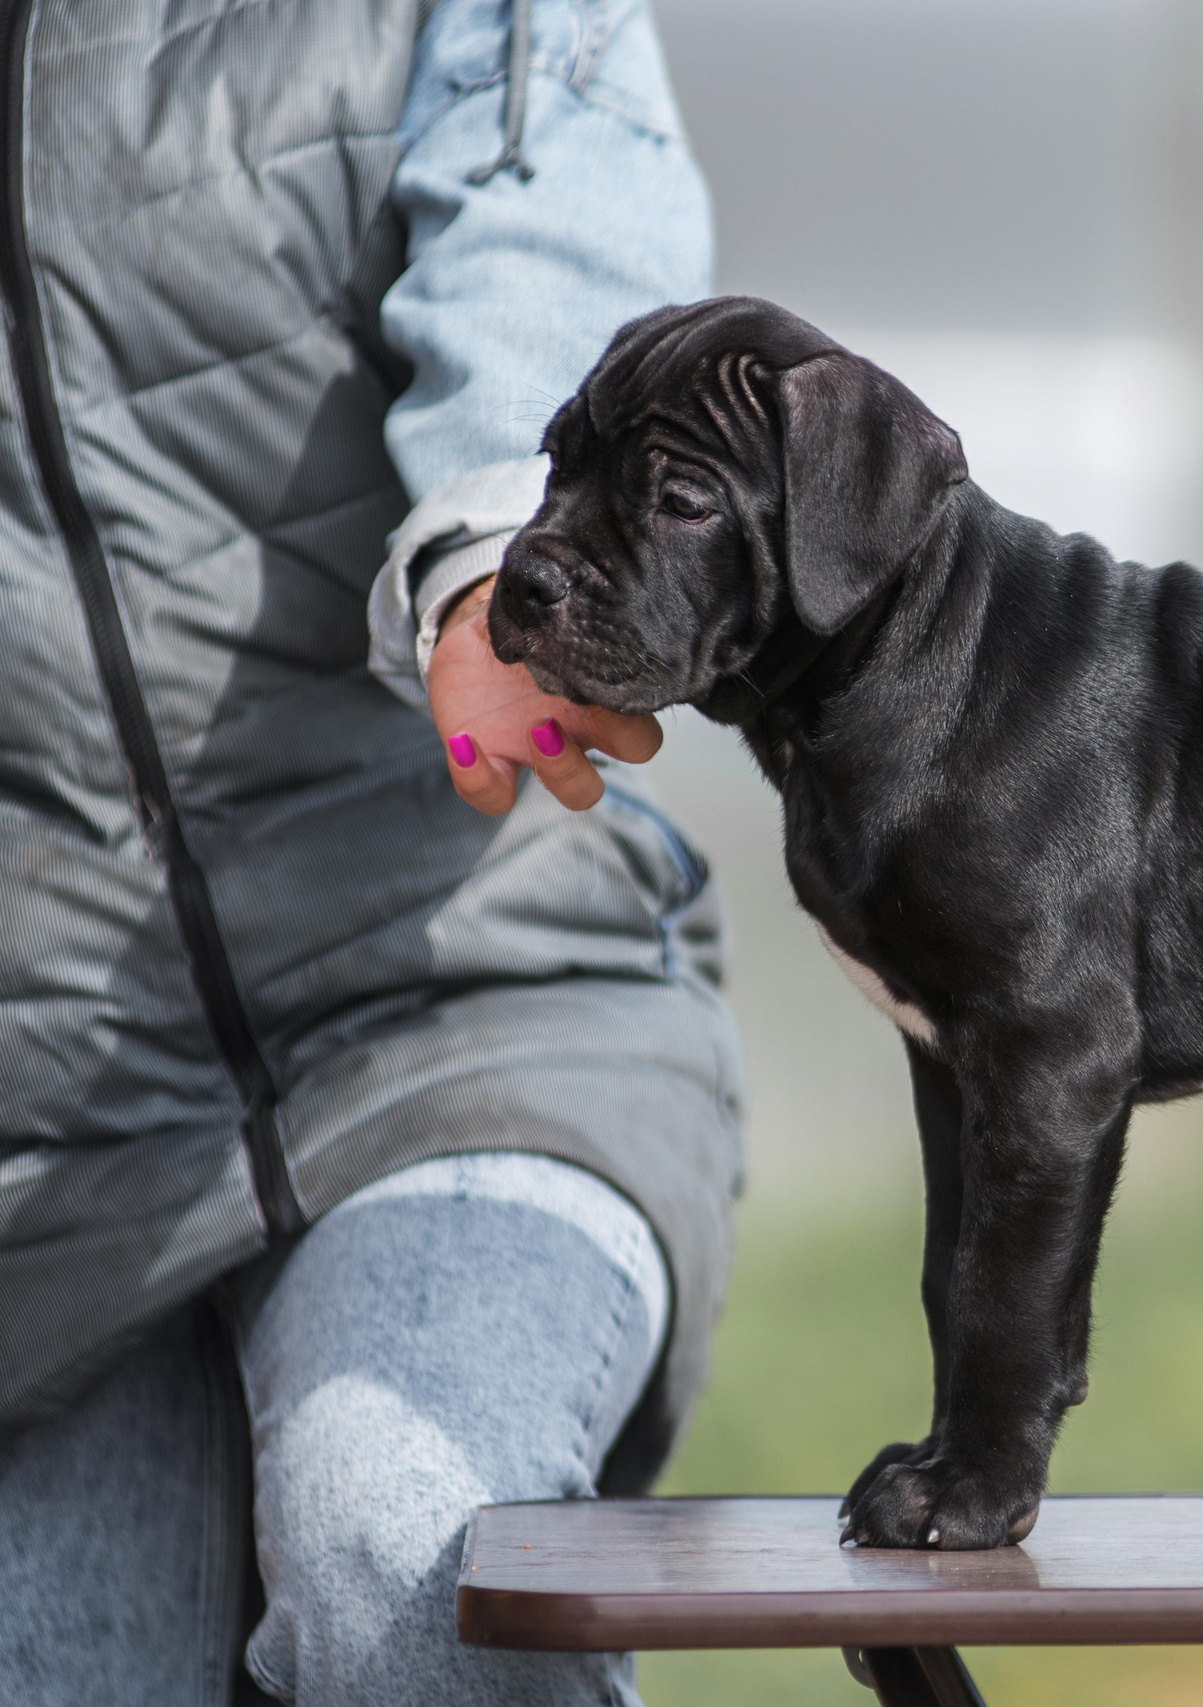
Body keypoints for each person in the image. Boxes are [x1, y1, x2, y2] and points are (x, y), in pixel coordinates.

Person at [0, 2, 743, 1702]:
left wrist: (500, 564)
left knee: (404, 1550)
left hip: (470, 1006)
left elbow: (557, 224)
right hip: (49, 1152)